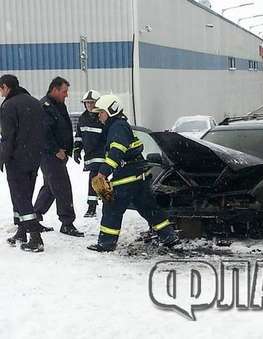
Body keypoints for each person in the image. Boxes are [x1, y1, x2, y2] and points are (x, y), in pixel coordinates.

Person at [87, 94, 179, 252]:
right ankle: (168, 236)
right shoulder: (121, 125)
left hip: (127, 178)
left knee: (112, 209)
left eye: (101, 112)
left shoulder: (117, 127)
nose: (99, 116)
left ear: (111, 111)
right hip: (139, 177)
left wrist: (102, 174)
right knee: (149, 208)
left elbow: (116, 152)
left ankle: (106, 243)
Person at [0, 74, 52, 252]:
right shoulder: (34, 102)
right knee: (25, 195)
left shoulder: (8, 106)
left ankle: (35, 238)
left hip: (17, 159)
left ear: (6, 87)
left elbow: (8, 137)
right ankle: (21, 232)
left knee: (21, 198)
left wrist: (2, 158)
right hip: (34, 157)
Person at [33, 77, 84, 237]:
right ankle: (67, 223)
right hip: (49, 155)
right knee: (62, 187)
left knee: (50, 187)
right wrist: (56, 150)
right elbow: (43, 133)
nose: (66, 95)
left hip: (57, 154)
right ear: (54, 90)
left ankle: (34, 216)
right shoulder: (45, 106)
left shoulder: (58, 105)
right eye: (64, 91)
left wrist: (67, 150)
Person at [73, 90, 105, 218]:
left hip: (103, 154)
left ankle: (97, 205)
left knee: (98, 178)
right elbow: (79, 136)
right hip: (90, 155)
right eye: (87, 103)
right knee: (96, 179)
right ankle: (96, 205)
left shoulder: (102, 117)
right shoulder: (83, 118)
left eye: (92, 103)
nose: (89, 105)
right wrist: (76, 150)